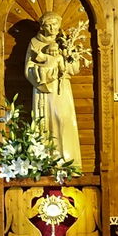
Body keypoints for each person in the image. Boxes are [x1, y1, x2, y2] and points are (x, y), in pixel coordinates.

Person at [25, 12, 82, 170]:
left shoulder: (64, 42)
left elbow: (74, 69)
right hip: (44, 90)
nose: (52, 28)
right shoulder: (35, 43)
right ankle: (46, 161)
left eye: (55, 24)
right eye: (48, 25)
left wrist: (71, 59)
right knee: (47, 123)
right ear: (42, 27)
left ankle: (68, 161)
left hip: (62, 88)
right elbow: (28, 68)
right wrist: (44, 72)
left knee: (64, 119)